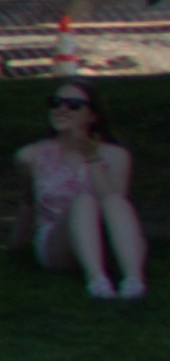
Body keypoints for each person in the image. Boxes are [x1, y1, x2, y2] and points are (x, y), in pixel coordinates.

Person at [15, 82, 143, 299]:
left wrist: (93, 159)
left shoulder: (115, 156)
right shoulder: (31, 156)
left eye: (74, 105)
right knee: (83, 201)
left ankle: (133, 281)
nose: (61, 109)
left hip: (107, 239)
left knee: (113, 201)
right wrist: (16, 244)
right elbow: (28, 202)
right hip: (57, 240)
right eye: (55, 103)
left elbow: (114, 207)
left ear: (92, 116)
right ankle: (97, 281)